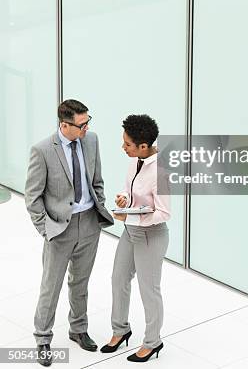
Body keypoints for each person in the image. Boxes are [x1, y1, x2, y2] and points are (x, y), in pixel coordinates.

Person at [25, 99, 114, 366]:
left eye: (88, 121)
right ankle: (42, 337)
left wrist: (99, 202)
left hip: (89, 223)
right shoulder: (42, 150)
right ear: (65, 125)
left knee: (80, 283)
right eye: (82, 123)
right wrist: (46, 230)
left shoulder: (92, 140)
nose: (87, 127)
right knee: (50, 287)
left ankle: (78, 329)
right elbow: (32, 197)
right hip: (58, 228)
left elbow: (96, 180)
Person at [101, 114, 170, 363]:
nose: (123, 147)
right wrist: (124, 199)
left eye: (127, 144)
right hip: (130, 231)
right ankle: (120, 330)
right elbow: (131, 192)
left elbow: (164, 212)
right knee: (118, 279)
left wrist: (133, 218)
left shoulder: (160, 171)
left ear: (143, 145)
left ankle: (153, 342)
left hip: (151, 236)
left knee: (149, 290)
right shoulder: (136, 161)